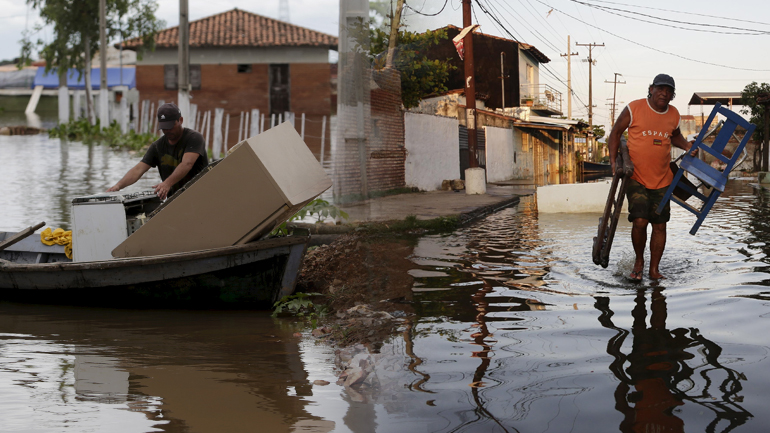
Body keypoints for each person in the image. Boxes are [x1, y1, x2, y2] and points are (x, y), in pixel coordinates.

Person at [607, 74, 695, 281]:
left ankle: (654, 270)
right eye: (661, 89)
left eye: (669, 90)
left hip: (663, 179)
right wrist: (613, 162)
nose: (664, 93)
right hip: (635, 175)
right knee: (639, 220)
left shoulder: (674, 114)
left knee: (660, 224)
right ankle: (639, 262)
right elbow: (616, 132)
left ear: (672, 95)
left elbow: (674, 135)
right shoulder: (634, 108)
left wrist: (686, 146)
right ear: (651, 89)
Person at [107, 103, 208, 200]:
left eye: (170, 126)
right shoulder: (157, 146)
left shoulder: (194, 138)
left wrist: (167, 183)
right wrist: (118, 186)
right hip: (175, 200)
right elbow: (138, 169)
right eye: (164, 127)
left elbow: (187, 163)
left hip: (200, 195)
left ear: (180, 120)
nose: (167, 130)